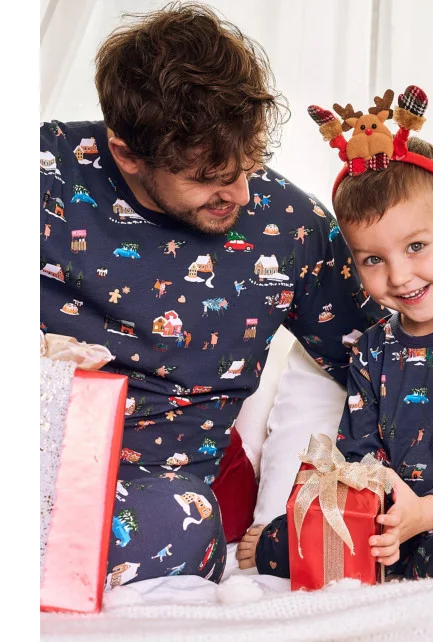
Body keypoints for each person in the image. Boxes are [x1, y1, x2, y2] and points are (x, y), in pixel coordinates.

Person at [40, 2, 383, 588]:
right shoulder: (44, 174)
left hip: (156, 497)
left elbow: (387, 357)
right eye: (208, 178)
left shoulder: (292, 227)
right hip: (34, 455)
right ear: (126, 153)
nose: (242, 195)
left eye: (249, 164)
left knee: (190, 526)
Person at [237, 85, 433, 580]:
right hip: (390, 516)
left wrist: (427, 510)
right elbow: (359, 446)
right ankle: (385, 558)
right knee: (283, 541)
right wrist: (383, 502)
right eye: (372, 259)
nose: (399, 276)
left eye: (416, 246)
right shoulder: (371, 348)